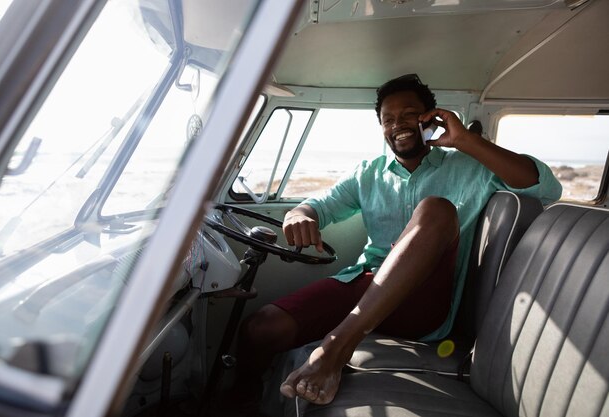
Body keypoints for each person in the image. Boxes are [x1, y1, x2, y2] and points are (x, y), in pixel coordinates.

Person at [233, 74, 562, 407]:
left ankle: (335, 347)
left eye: (408, 115)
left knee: (436, 209)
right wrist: (299, 215)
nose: (397, 125)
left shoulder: (470, 166)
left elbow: (547, 188)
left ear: (430, 118)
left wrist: (465, 140)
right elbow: (318, 206)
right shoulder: (368, 173)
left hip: (426, 300)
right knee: (261, 329)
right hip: (369, 283)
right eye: (388, 119)